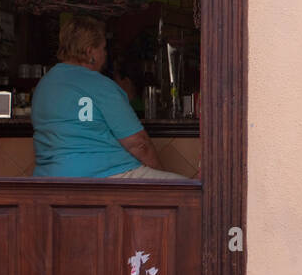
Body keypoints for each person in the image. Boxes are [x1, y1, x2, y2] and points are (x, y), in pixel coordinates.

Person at [31, 15, 189, 180]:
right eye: (103, 48)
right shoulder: (100, 85)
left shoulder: (44, 85)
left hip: (50, 178)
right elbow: (139, 144)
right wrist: (165, 182)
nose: (105, 55)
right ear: (90, 51)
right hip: (107, 175)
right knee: (187, 191)